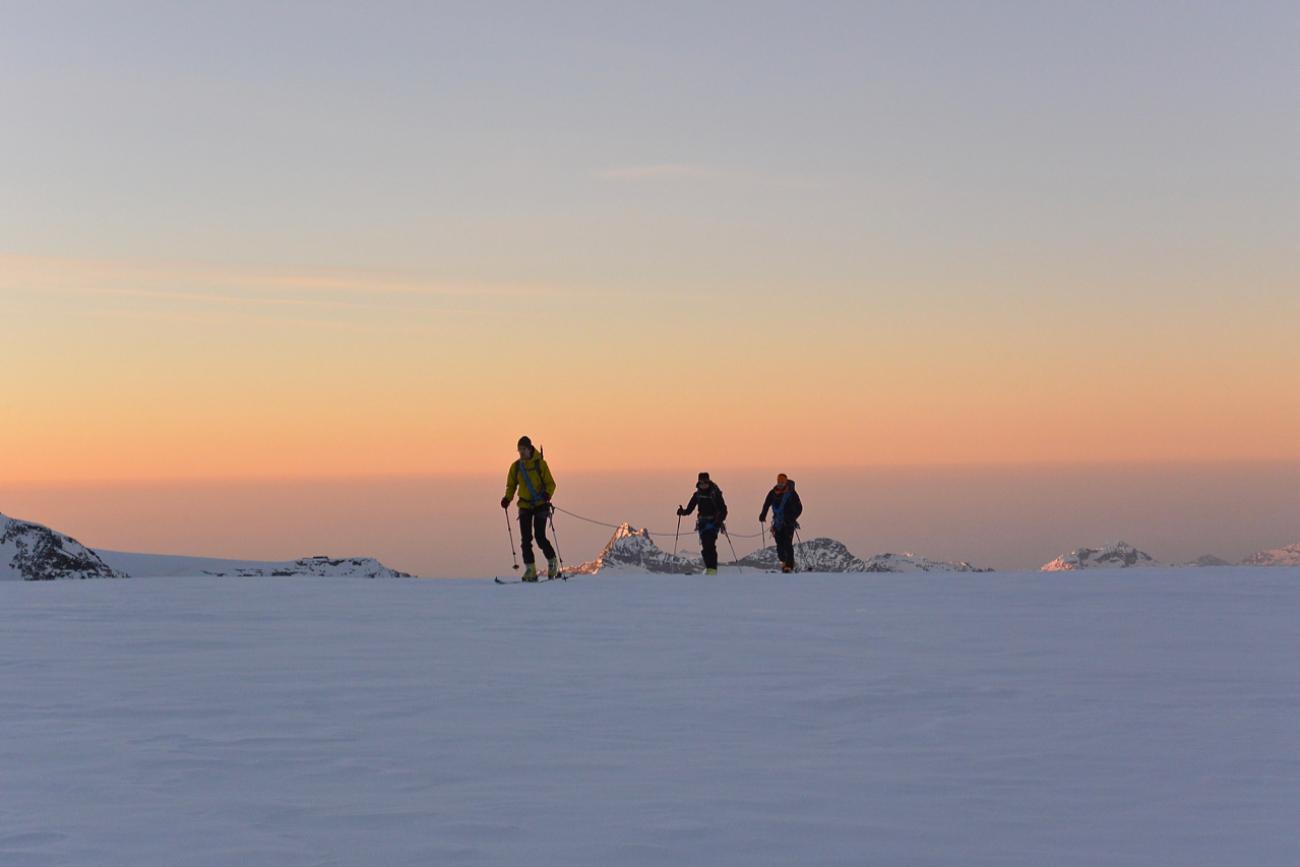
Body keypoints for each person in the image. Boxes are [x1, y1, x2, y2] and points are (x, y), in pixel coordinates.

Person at [501, 435, 558, 581]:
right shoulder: (516, 467)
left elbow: (551, 483)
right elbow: (511, 485)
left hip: (540, 505)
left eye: (523, 450)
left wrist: (547, 494)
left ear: (529, 448)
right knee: (525, 539)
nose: (521, 453)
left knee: (539, 537)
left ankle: (552, 563)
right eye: (519, 450)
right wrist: (507, 498)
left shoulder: (540, 464)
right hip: (525, 505)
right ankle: (530, 570)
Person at [677, 472, 728, 575]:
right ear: (699, 482)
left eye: (705, 482)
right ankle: (710, 568)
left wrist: (719, 520)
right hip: (703, 524)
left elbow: (723, 510)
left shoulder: (715, 494)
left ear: (709, 482)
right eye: (701, 482)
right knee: (705, 546)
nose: (703, 484)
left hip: (714, 523)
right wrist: (682, 512)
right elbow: (690, 509)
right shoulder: (697, 495)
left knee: (710, 544)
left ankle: (712, 569)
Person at [760, 473, 803, 573]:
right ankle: (784, 562)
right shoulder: (773, 493)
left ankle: (789, 566)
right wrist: (763, 515)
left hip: (789, 523)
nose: (780, 484)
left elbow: (799, 508)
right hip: (778, 524)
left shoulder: (791, 493)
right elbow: (766, 504)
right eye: (779, 481)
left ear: (786, 482)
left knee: (787, 544)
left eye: (782, 482)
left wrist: (792, 518)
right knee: (779, 545)